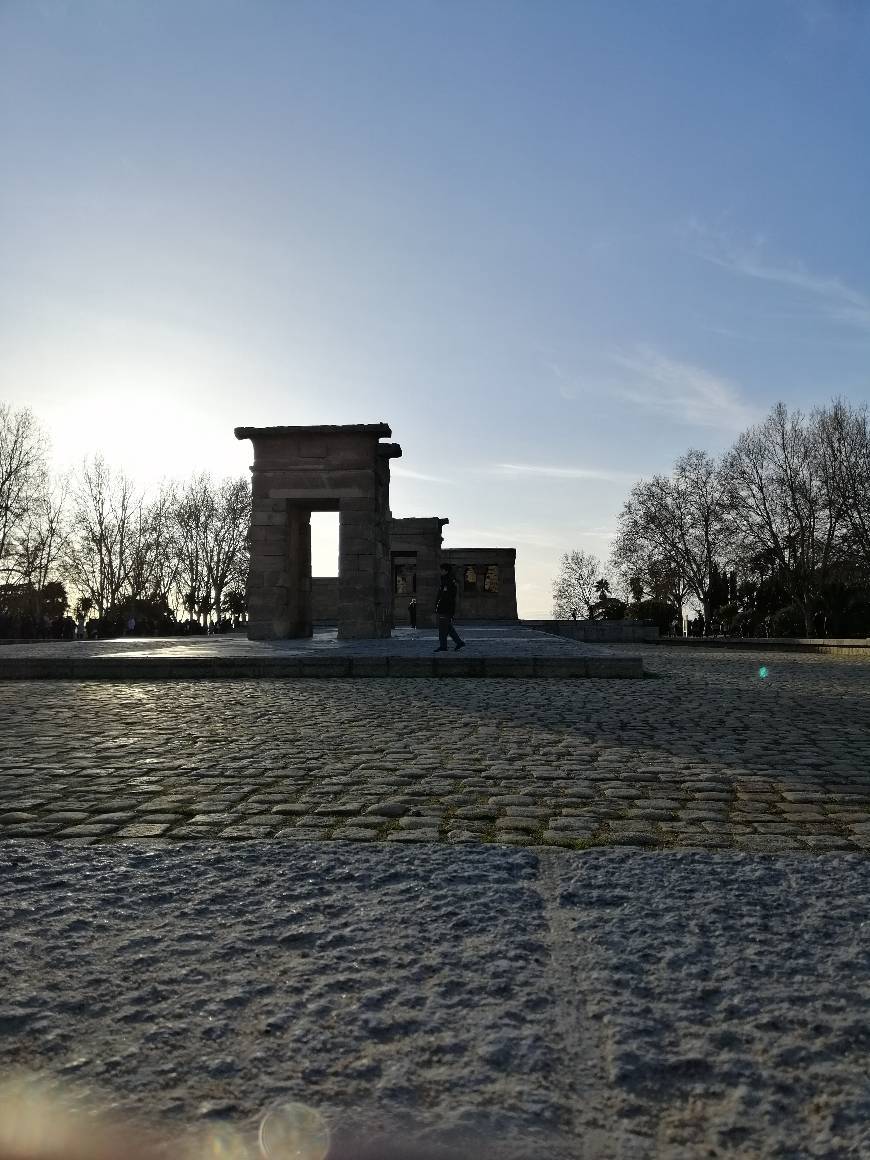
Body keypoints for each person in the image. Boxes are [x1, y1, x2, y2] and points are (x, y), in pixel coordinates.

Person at [434, 563, 465, 652]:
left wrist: (441, 605)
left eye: (442, 570)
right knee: (447, 627)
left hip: (446, 607)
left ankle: (444, 646)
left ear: (446, 570)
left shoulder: (449, 580)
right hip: (444, 607)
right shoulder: (445, 580)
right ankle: (459, 642)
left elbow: (448, 596)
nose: (440, 571)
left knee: (443, 628)